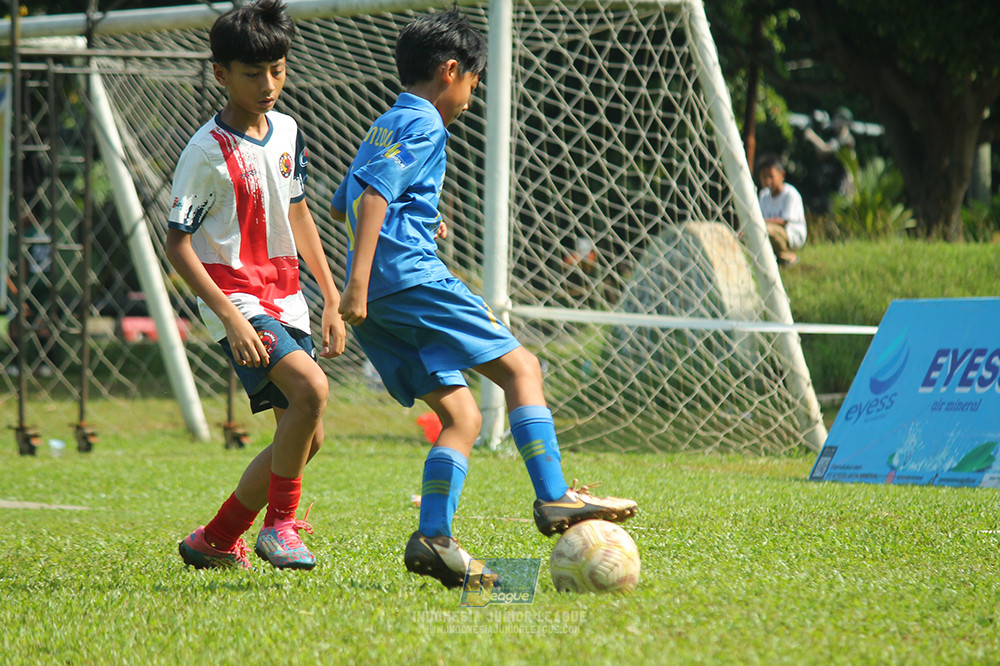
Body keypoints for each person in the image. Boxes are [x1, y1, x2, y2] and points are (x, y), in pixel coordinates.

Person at [330, 8, 638, 589]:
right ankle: (555, 498)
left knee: (462, 416)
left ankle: (434, 537)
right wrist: (359, 281)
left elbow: (343, 198)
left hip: (385, 299)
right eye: (474, 79)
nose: (474, 92)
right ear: (451, 71)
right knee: (523, 367)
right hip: (407, 281)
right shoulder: (425, 123)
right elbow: (371, 197)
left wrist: (422, 218)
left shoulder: (387, 121)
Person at [167, 0, 346, 571]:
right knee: (312, 392)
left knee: (307, 438)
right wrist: (231, 317)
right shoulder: (203, 153)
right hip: (238, 299)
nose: (268, 84)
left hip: (287, 296)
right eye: (252, 74)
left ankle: (215, 539)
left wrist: (331, 295)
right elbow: (178, 245)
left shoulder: (290, 130)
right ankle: (282, 527)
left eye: (278, 69)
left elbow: (299, 214)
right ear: (221, 74)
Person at [756, 153, 807, 267]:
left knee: (766, 230)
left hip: (791, 233)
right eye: (764, 177)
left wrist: (761, 223)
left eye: (770, 176)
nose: (768, 181)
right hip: (770, 229)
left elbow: (784, 221)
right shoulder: (764, 196)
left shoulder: (790, 194)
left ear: (782, 175)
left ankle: (787, 255)